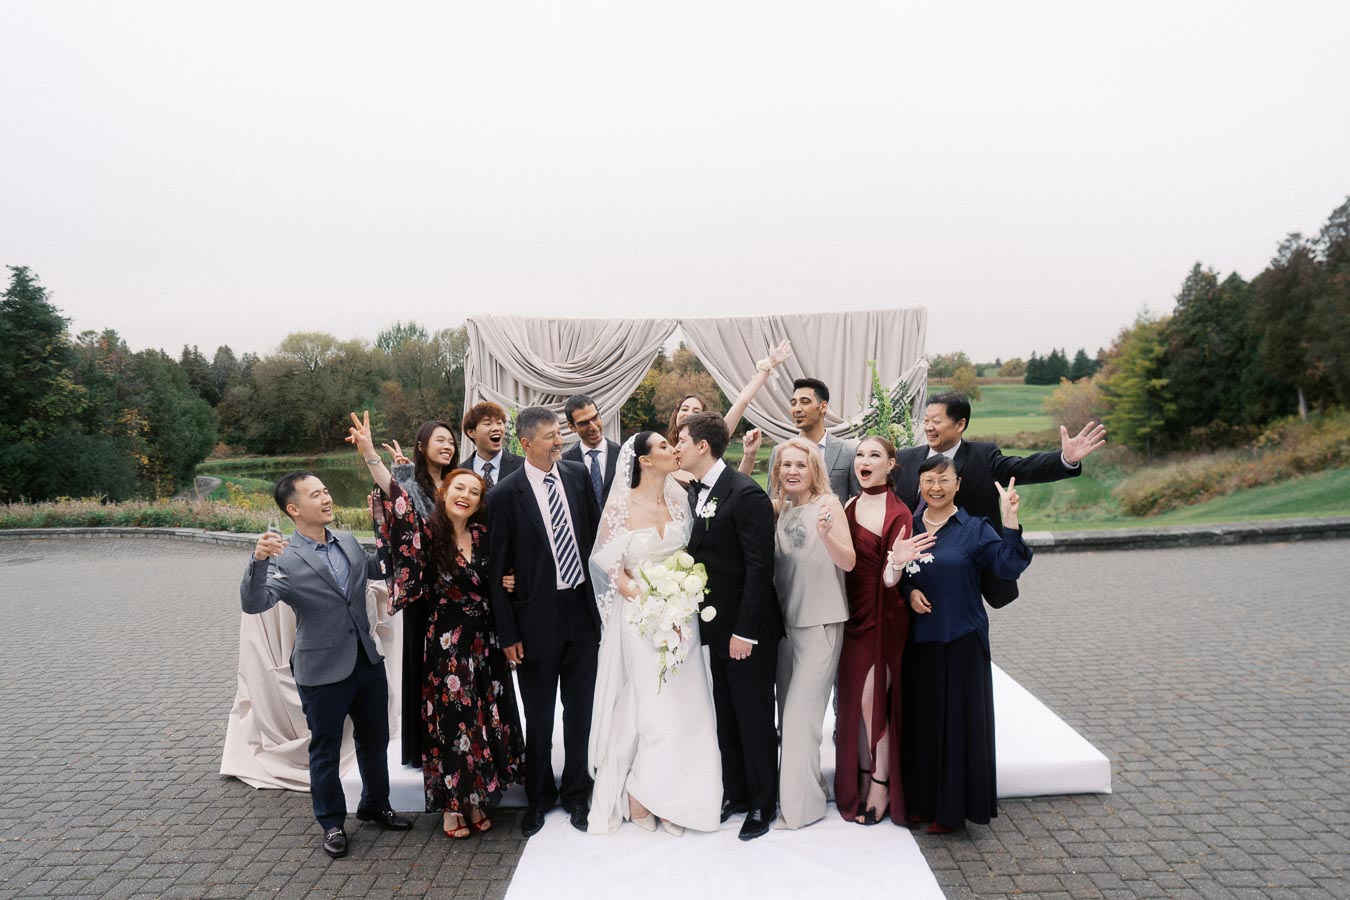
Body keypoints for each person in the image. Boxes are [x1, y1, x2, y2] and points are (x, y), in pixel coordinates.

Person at [348, 412, 524, 840]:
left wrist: (508, 579)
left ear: (481, 502)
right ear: (444, 493)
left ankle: (479, 798)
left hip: (484, 644)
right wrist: (371, 454)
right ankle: (451, 806)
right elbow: (395, 496)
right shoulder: (427, 533)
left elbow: (505, 575)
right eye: (458, 488)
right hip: (447, 647)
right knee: (452, 724)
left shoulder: (485, 537)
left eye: (474, 492)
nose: (465, 495)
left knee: (484, 719)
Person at [241, 471, 411, 860]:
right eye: (316, 494)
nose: (327, 498)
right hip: (320, 670)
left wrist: (390, 523)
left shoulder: (347, 542)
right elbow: (255, 603)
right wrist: (258, 561)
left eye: (327, 491)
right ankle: (332, 823)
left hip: (366, 662)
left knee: (374, 740)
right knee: (326, 750)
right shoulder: (285, 556)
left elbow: (378, 566)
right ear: (294, 509)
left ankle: (375, 804)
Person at [586, 432, 722, 836]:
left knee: (689, 707)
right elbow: (606, 562)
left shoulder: (681, 498)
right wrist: (638, 592)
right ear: (644, 461)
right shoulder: (622, 505)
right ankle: (640, 795)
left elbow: (690, 555)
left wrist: (680, 597)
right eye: (664, 447)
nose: (673, 450)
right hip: (641, 619)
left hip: (683, 617)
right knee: (655, 710)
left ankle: (677, 796)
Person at [487, 406, 603, 837]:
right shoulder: (503, 496)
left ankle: (577, 794)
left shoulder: (575, 477)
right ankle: (538, 798)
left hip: (581, 611)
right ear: (527, 443)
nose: (561, 441)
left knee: (581, 711)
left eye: (561, 434)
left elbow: (593, 543)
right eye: (553, 435)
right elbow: (496, 573)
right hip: (535, 619)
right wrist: (509, 633)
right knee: (538, 714)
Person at [900, 455, 1031, 834]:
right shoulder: (907, 525)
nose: (935, 488)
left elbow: (1008, 567)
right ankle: (922, 802)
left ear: (958, 485)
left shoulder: (975, 528)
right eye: (928, 481)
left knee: (958, 725)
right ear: (919, 485)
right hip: (918, 641)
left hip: (962, 638)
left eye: (944, 480)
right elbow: (893, 570)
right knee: (922, 724)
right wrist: (909, 592)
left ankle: (952, 810)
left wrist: (1010, 522)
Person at [674, 412, 782, 840]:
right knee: (727, 713)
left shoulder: (745, 494)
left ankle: (762, 803)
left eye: (681, 440)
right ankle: (735, 792)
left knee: (754, 715)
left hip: (746, 630)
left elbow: (760, 569)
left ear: (702, 446)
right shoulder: (697, 492)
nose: (676, 446)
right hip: (716, 630)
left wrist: (745, 632)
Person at [893, 391, 1105, 605]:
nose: (928, 427)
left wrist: (1064, 459)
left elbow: (1023, 468)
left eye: (936, 421)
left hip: (964, 575)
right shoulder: (905, 459)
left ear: (960, 425)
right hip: (912, 571)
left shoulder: (983, 457)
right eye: (926, 420)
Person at [834, 436, 935, 826]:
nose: (864, 460)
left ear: (891, 465)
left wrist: (895, 564)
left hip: (884, 615)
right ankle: (859, 776)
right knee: (854, 707)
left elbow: (894, 580)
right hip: (853, 614)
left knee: (872, 703)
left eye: (874, 455)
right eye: (860, 454)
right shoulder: (849, 505)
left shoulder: (900, 512)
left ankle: (880, 784)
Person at [769, 438, 855, 830]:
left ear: (814, 470)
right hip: (786, 628)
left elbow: (849, 561)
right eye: (785, 465)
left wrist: (827, 536)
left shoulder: (829, 505)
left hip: (820, 623)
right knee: (789, 722)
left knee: (802, 719)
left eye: (800, 465)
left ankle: (800, 810)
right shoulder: (780, 509)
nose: (792, 471)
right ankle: (807, 788)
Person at [379, 419, 458, 769]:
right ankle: (422, 745)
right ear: (422, 444)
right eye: (440, 440)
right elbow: (394, 496)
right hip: (424, 590)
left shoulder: (460, 483)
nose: (448, 445)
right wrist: (370, 453)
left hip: (459, 589)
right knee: (422, 666)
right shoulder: (411, 485)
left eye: (452, 441)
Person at [740, 377, 860, 502]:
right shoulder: (779, 451)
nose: (797, 409)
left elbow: (859, 502)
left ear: (823, 407)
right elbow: (773, 498)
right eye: (793, 403)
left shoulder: (847, 451)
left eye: (805, 402)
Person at [664, 339, 793, 440]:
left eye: (696, 411)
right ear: (676, 414)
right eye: (685, 409)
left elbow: (742, 401)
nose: (689, 414)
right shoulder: (662, 450)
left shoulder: (713, 442)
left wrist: (770, 363)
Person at [562, 394, 620, 507]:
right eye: (584, 423)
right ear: (571, 427)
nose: (593, 427)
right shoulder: (564, 464)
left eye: (595, 418)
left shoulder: (624, 455)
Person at [458, 401, 524, 489]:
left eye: (499, 423)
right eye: (487, 424)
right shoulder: (459, 472)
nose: (496, 428)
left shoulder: (522, 466)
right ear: (471, 433)